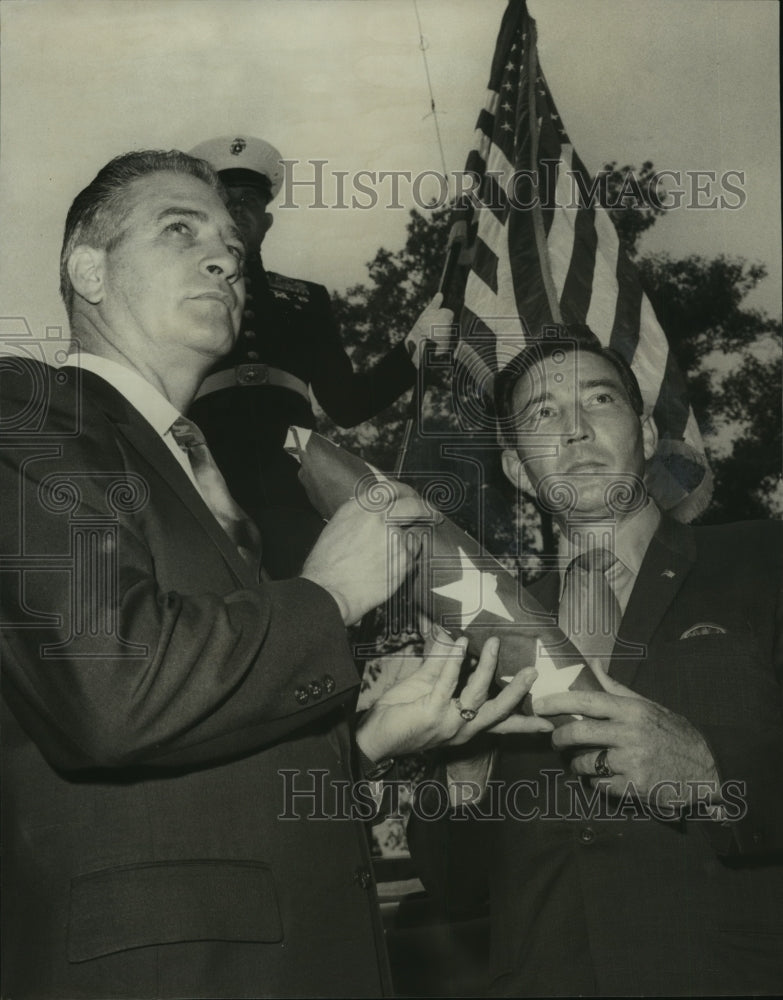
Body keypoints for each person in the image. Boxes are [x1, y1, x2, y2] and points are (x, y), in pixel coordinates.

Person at [0, 149, 544, 1000]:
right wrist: (326, 597)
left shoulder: (200, 478)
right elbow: (109, 696)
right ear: (87, 271)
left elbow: (206, 759)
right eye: (179, 230)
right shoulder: (27, 412)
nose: (227, 257)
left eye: (229, 240)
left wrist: (369, 742)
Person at [409, 325, 783, 996]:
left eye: (600, 400)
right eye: (543, 414)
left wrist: (711, 778)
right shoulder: (482, 631)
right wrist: (460, 770)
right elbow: (454, 887)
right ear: (518, 467)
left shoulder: (764, 560)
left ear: (643, 432)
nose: (574, 430)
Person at [187, 134, 452, 576]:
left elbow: (347, 405)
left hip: (292, 474)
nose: (237, 210)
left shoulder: (306, 299)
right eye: (225, 201)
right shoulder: (185, 295)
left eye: (248, 200)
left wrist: (413, 350)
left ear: (266, 221)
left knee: (308, 589)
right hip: (208, 468)